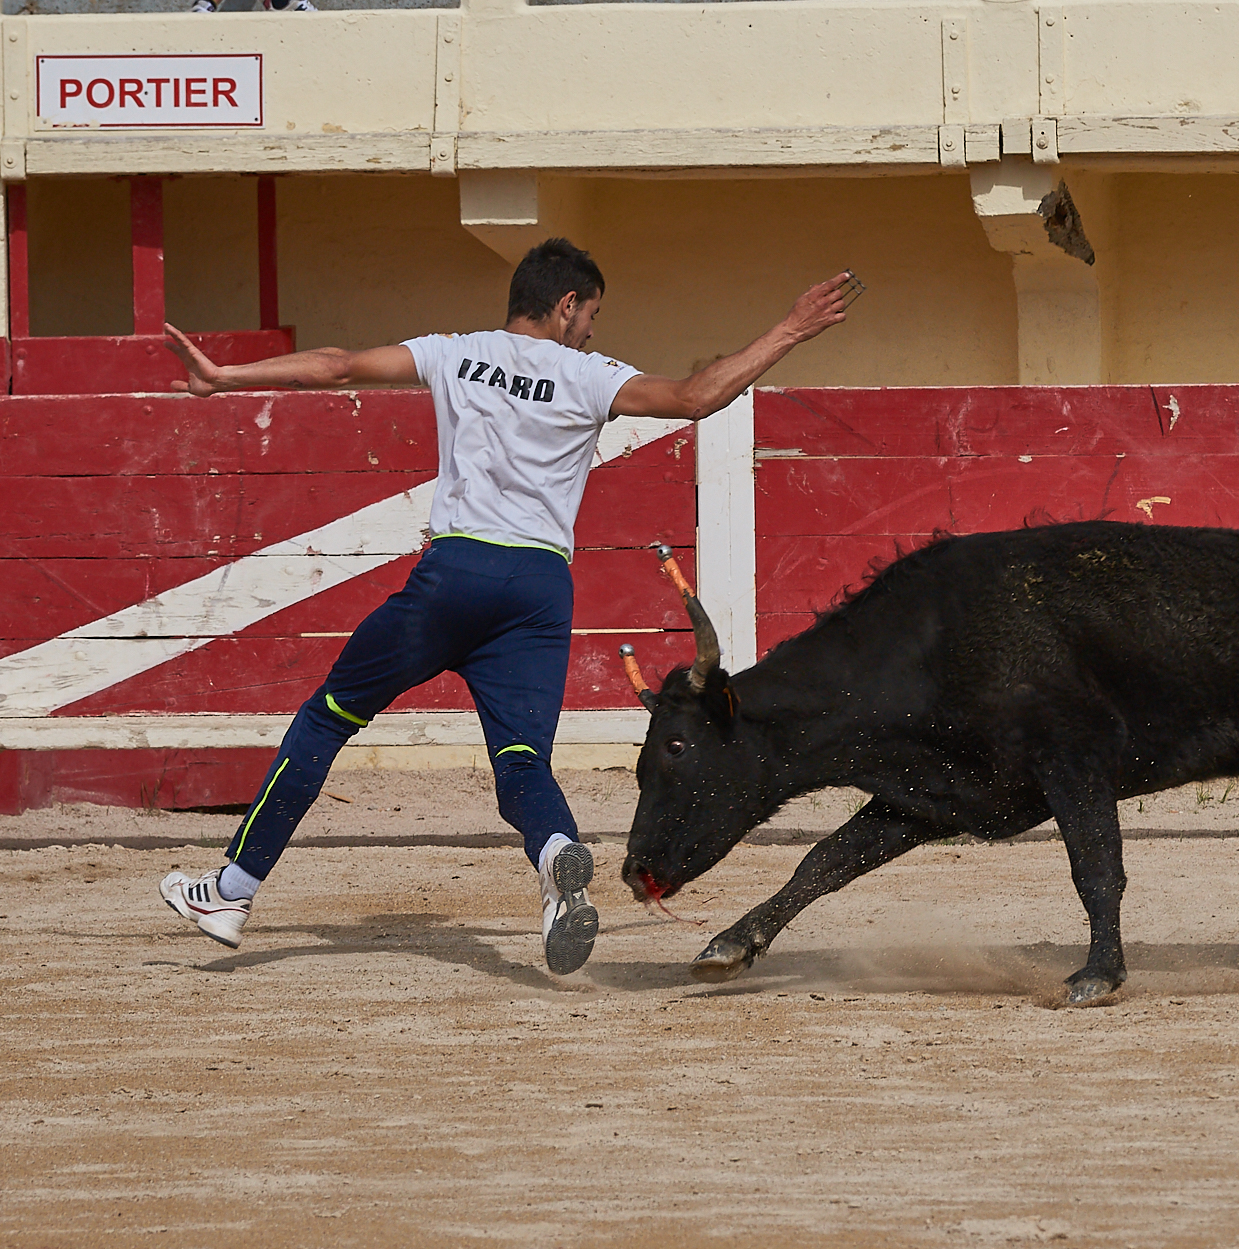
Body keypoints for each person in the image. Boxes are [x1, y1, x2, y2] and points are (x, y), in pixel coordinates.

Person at [157, 238, 855, 975]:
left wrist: (224, 374)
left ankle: (231, 890)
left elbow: (335, 364)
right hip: (538, 591)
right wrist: (791, 328)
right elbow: (695, 395)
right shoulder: (588, 374)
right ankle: (555, 856)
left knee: (328, 716)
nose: (590, 330)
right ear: (565, 306)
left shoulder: (453, 353)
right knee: (522, 760)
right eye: (590, 315)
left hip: (456, 573)